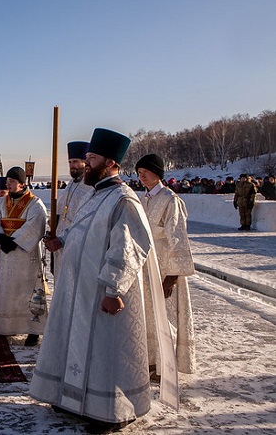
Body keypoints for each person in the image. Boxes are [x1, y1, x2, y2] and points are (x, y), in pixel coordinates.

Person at [30, 128, 178, 432]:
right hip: (78, 289)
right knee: (74, 342)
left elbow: (129, 249)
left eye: (92, 158)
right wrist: (62, 240)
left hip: (102, 291)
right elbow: (83, 230)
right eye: (86, 158)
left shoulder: (123, 200)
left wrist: (114, 288)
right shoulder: (97, 195)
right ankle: (72, 398)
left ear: (110, 162)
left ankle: (106, 410)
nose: (86, 164)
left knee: (103, 351)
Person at [136, 154, 196, 374]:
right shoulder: (142, 199)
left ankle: (165, 365)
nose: (141, 176)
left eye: (146, 172)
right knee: (148, 314)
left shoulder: (170, 199)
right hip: (146, 264)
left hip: (164, 265)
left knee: (163, 314)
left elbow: (178, 236)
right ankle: (150, 360)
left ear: (157, 173)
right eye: (139, 172)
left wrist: (172, 275)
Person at [0, 167, 47, 346]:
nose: (7, 185)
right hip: (5, 255)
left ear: (21, 183)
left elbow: (37, 224)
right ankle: (5, 327)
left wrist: (15, 240)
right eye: (7, 181)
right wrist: (0, 237)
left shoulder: (35, 204)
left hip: (25, 256)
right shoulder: (1, 203)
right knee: (5, 290)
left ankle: (33, 330)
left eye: (11, 181)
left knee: (28, 292)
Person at [57, 141, 94, 233]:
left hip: (78, 233)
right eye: (70, 162)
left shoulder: (90, 185)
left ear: (85, 163)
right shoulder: (70, 183)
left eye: (75, 161)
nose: (71, 165)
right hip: (61, 234)